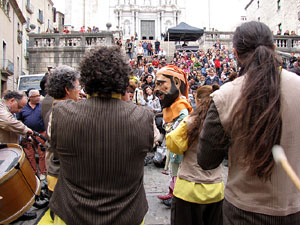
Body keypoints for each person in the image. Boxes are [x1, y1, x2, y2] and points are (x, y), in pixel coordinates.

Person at [197, 21, 300, 225]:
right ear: (273, 48)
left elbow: (206, 160)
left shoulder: (224, 96)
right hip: (294, 207)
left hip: (243, 211)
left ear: (235, 54)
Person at [49, 46, 156, 225]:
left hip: (72, 214)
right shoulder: (144, 117)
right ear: (123, 79)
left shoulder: (60, 113)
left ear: (86, 79)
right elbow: (151, 143)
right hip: (128, 216)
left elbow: (56, 153)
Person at [166, 85, 223, 225]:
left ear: (197, 100)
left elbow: (173, 142)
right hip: (215, 189)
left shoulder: (190, 122)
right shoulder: (222, 122)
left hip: (188, 190)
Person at [45, 65, 81, 221]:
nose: (80, 90)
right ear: (68, 90)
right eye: (78, 86)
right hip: (63, 177)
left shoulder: (50, 105)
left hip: (53, 172)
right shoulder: (65, 112)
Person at [155, 65, 193, 207]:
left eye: (160, 83)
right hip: (172, 144)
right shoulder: (172, 106)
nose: (156, 88)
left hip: (178, 146)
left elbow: (182, 126)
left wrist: (171, 129)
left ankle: (176, 196)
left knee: (178, 170)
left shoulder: (181, 106)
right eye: (156, 84)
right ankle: (172, 193)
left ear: (176, 83)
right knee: (173, 170)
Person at [0, 91, 37, 221]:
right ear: (11, 101)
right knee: (5, 186)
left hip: (7, 152)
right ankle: (9, 214)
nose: (20, 111)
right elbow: (7, 122)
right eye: (19, 107)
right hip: (3, 154)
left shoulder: (7, 109)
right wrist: (26, 130)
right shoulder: (0, 108)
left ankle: (17, 211)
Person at [17, 89, 47, 179]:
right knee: (30, 155)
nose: (38, 97)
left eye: (39, 95)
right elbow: (19, 120)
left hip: (40, 133)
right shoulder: (23, 107)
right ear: (30, 97)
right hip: (28, 135)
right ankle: (34, 172)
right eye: (36, 96)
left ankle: (43, 172)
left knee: (42, 154)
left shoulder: (42, 106)